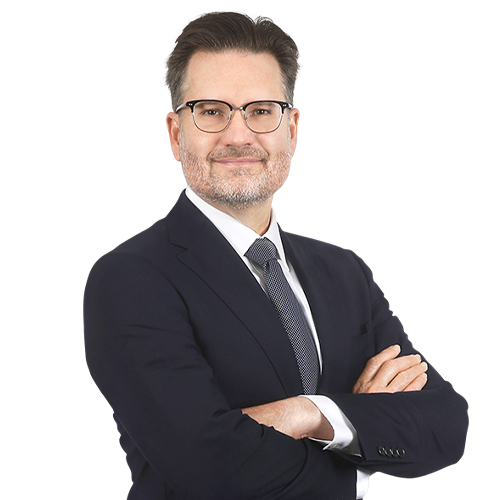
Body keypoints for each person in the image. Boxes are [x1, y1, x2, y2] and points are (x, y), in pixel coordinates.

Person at [84, 12, 468, 500]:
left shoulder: (344, 273)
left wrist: (309, 413)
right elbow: (209, 466)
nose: (238, 136)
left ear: (292, 128)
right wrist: (357, 451)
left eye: (262, 110)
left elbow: (445, 426)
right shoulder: (131, 279)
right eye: (211, 111)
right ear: (176, 134)